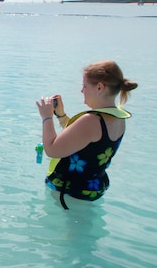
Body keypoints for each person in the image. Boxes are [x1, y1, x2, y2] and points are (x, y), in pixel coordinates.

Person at [36, 60, 138, 209]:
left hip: (69, 194)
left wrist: (47, 117)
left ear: (99, 87)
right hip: (92, 189)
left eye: (84, 86)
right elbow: (84, 139)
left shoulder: (91, 121)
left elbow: (51, 149)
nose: (82, 91)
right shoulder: (118, 118)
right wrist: (61, 115)